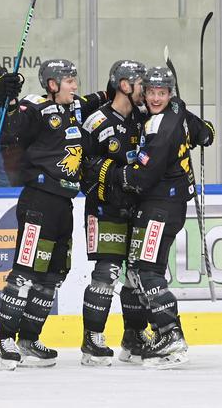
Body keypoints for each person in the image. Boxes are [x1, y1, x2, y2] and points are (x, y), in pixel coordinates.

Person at [91, 66, 214, 368]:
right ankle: (149, 335)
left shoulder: (159, 128)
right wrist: (199, 126)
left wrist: (110, 173)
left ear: (169, 93)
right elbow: (205, 135)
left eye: (162, 93)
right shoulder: (178, 110)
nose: (156, 98)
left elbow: (141, 177)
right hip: (165, 206)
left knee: (146, 270)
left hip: (160, 207)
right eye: (152, 92)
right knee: (139, 270)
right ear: (144, 93)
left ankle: (171, 334)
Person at [0, 59, 107, 370]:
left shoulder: (77, 107)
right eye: (69, 80)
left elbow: (108, 95)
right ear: (53, 84)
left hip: (64, 205)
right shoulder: (35, 107)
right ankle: (4, 342)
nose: (75, 85)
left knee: (52, 276)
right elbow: (7, 132)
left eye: (74, 79)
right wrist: (3, 97)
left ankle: (29, 339)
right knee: (25, 273)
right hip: (38, 203)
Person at [79, 60, 151, 366]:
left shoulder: (143, 118)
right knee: (106, 273)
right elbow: (81, 167)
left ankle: (133, 336)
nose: (145, 91)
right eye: (140, 84)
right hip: (104, 207)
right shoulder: (96, 121)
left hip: (135, 207)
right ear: (124, 84)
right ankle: (91, 339)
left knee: (136, 274)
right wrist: (116, 176)